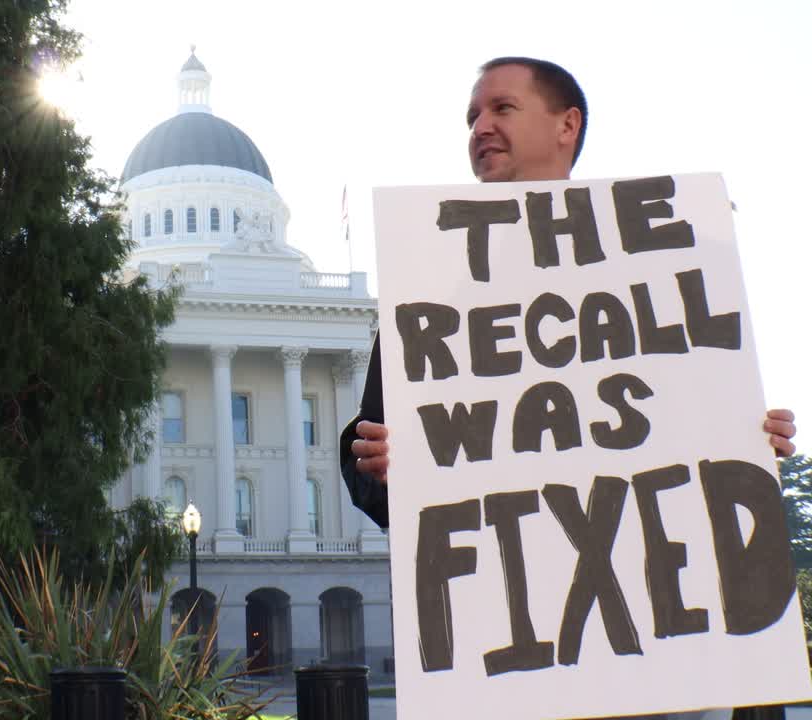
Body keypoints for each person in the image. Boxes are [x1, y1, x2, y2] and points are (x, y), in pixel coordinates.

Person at [340, 57, 796, 720]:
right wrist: (376, 460)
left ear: (566, 125)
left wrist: (751, 437)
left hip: (652, 656)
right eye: (472, 116)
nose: (480, 128)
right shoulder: (431, 284)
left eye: (501, 108)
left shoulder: (658, 262)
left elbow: (692, 429)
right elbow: (381, 477)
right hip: (505, 650)